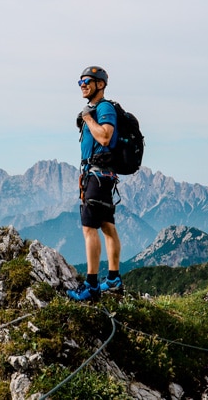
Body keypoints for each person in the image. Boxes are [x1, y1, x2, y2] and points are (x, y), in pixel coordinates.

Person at [68, 65, 124, 301]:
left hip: (99, 176)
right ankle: (113, 279)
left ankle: (91, 286)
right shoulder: (96, 109)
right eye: (80, 82)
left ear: (100, 84)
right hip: (99, 175)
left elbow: (105, 136)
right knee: (107, 226)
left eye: (87, 81)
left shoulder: (104, 108)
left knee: (89, 228)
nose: (83, 85)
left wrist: (88, 118)